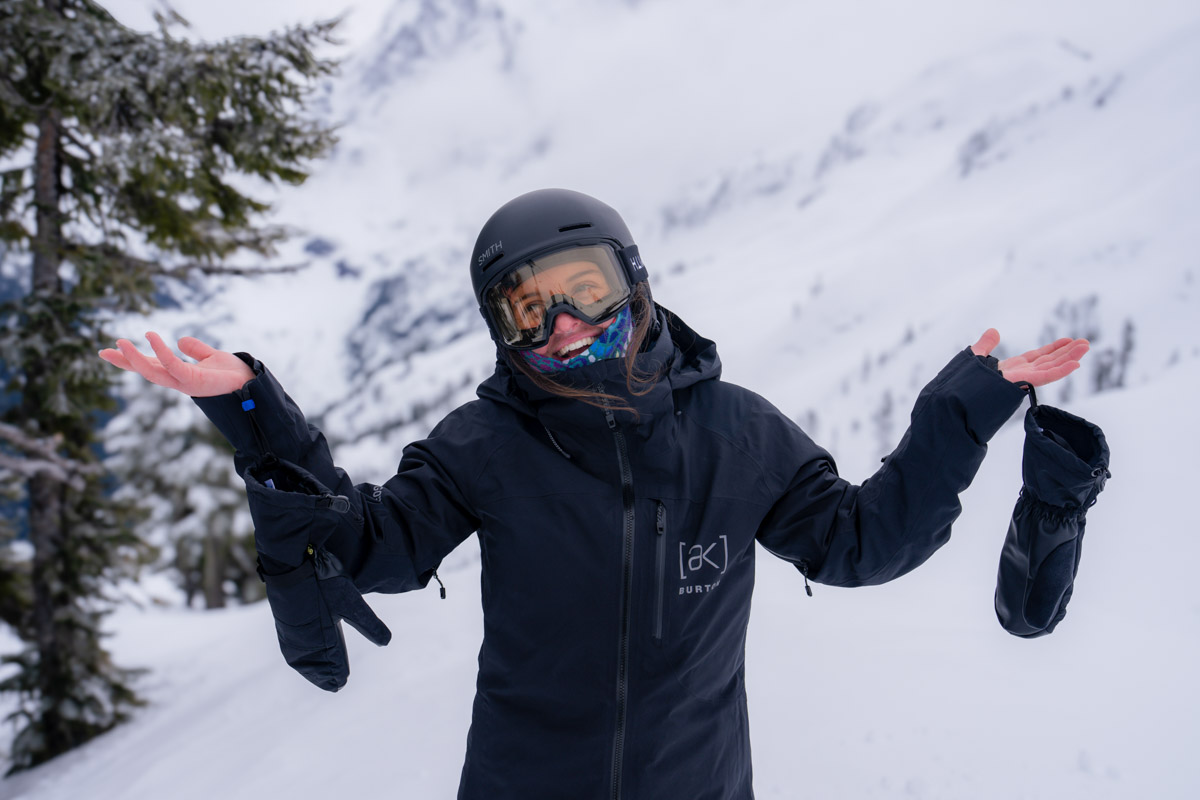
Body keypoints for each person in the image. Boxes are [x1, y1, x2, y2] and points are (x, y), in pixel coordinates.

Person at [99, 188, 1089, 799]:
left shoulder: (736, 432)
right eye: (529, 309)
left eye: (581, 287)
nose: (565, 324)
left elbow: (863, 542)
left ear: (634, 281)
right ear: (503, 329)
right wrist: (254, 412)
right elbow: (370, 546)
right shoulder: (482, 443)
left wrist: (965, 410)